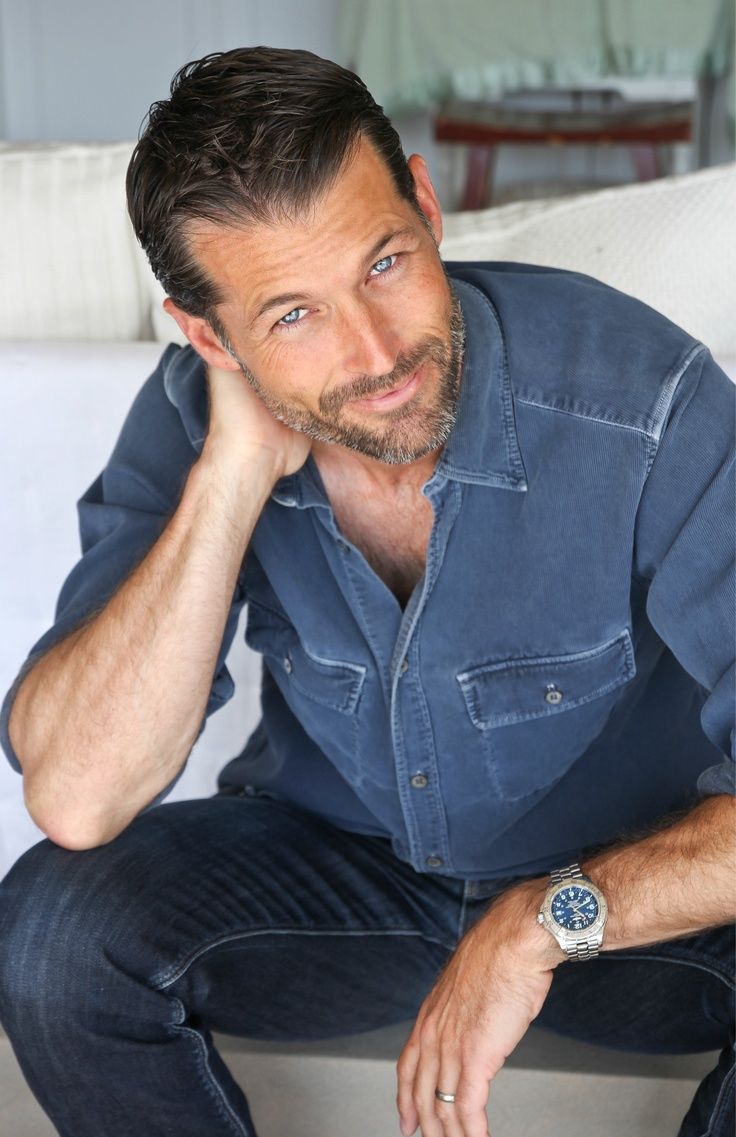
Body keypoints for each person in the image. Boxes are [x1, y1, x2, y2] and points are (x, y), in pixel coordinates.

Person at [0, 45, 733, 1137]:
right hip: (349, 882)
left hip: (625, 903)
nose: (378, 352)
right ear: (208, 335)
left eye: (383, 262)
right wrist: (233, 473)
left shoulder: (643, 404)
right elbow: (76, 796)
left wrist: (545, 920)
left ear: (426, 206)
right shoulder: (194, 419)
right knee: (54, 934)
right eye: (291, 315)